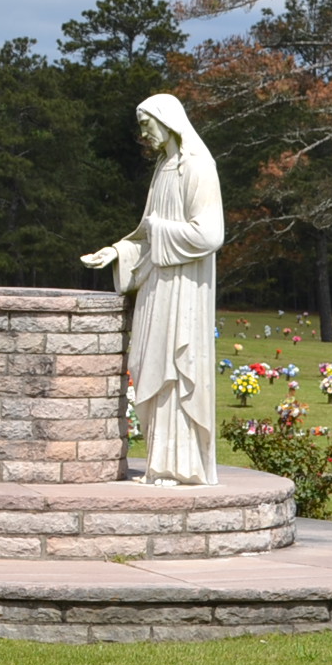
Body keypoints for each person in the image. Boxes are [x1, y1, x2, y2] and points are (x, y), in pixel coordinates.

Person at [81, 94, 223, 486]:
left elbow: (210, 233)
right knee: (148, 364)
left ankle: (182, 465)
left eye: (147, 123)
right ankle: (159, 461)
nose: (144, 133)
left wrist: (158, 232)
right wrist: (115, 250)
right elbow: (147, 233)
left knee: (175, 370)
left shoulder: (198, 167)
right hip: (157, 285)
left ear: (169, 121)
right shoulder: (164, 168)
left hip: (183, 288)